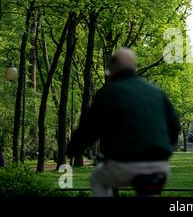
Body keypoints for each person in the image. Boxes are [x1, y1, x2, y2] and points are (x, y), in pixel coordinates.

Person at [67, 48, 180, 197]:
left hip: (124, 163)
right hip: (159, 165)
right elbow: (175, 126)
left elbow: (89, 129)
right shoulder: (156, 92)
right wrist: (165, 149)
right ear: (134, 67)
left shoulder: (108, 92)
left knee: (97, 179)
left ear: (111, 69)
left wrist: (72, 150)